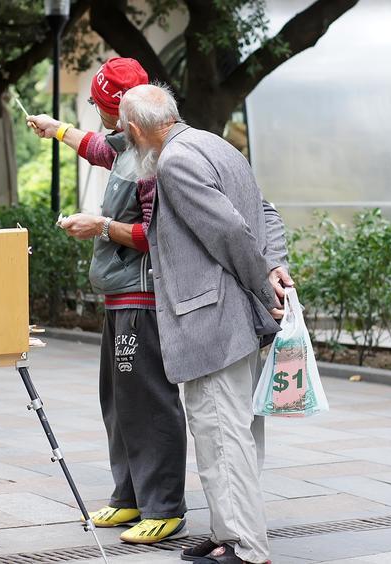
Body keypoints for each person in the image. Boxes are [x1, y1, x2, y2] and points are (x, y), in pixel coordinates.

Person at [118, 83, 284, 564]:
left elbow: (229, 229)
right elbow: (266, 213)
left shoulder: (175, 161)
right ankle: (226, 535)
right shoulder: (216, 144)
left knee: (220, 434)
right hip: (235, 318)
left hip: (213, 320)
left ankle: (247, 549)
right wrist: (275, 266)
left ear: (134, 131)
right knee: (237, 433)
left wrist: (262, 282)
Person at [27, 57, 189, 545]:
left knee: (148, 401)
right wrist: (57, 131)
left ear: (125, 114)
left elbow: (155, 234)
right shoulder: (129, 143)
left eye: (100, 106)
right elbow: (99, 148)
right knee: (118, 401)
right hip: (120, 296)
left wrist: (98, 225)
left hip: (143, 297)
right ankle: (130, 497)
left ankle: (165, 506)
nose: (98, 115)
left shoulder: (155, 161)